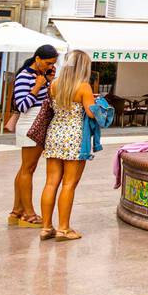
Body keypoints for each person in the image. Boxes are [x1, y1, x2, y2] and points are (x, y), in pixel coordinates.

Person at [39, 50, 99, 241]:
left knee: (50, 182)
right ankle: (64, 229)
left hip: (55, 133)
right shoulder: (83, 87)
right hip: (74, 137)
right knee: (69, 184)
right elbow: (92, 114)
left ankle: (46, 227)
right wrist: (97, 103)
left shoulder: (54, 85)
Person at [9, 44, 57, 228]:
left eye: (53, 63)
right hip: (30, 123)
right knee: (28, 169)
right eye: (48, 62)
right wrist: (37, 86)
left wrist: (48, 81)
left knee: (25, 169)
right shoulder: (25, 76)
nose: (50, 66)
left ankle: (16, 211)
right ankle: (28, 214)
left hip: (37, 122)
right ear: (37, 59)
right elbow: (22, 105)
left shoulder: (42, 76)